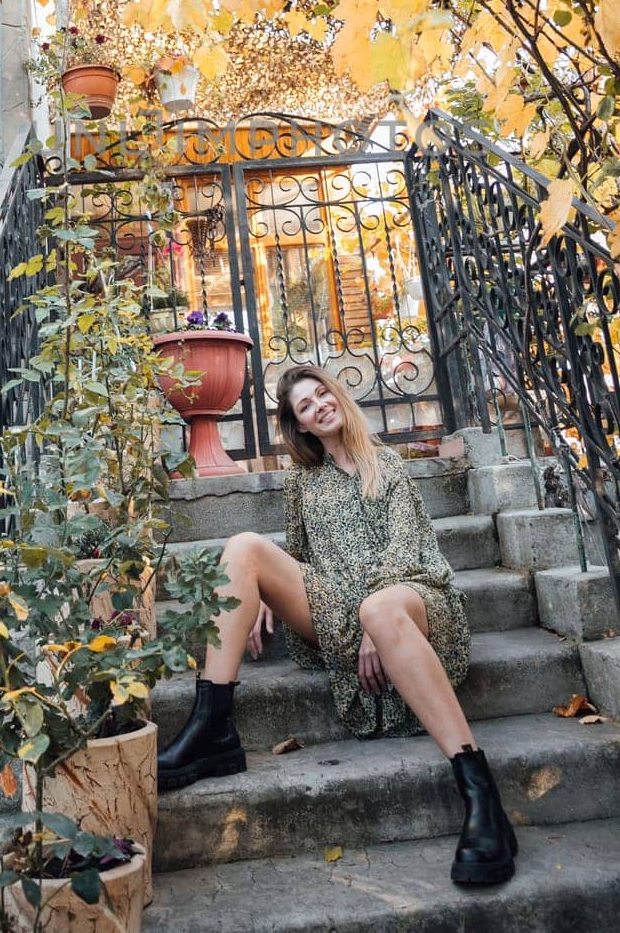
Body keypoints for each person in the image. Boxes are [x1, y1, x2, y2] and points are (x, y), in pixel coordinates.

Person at [157, 362, 518, 887]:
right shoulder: (303, 483)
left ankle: (480, 791)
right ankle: (212, 727)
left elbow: (406, 551)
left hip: (414, 598)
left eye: (320, 394)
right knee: (242, 548)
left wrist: (376, 618)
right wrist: (260, 594)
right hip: (337, 609)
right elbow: (299, 555)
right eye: (304, 407)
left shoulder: (387, 464)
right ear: (300, 425)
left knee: (379, 609)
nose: (318, 406)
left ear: (336, 395)